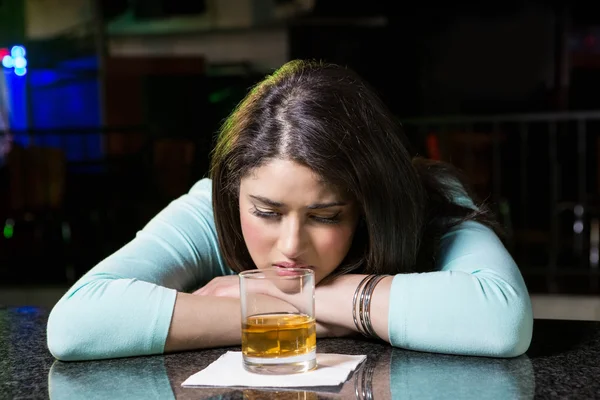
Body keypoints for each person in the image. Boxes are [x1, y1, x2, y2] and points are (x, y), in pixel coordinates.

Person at [47, 59, 533, 361]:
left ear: (368, 205)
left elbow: (500, 320)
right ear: (235, 194)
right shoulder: (208, 204)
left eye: (325, 216)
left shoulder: (429, 195)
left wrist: (270, 300)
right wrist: (276, 308)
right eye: (266, 212)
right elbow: (77, 324)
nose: (290, 246)